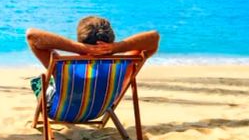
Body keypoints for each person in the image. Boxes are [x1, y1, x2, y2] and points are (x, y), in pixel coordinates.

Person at [27, 16, 158, 101]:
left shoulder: (63, 67)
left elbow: (32, 35)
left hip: (63, 111)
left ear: (80, 41)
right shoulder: (124, 65)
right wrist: (116, 48)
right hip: (101, 109)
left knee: (40, 81)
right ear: (112, 39)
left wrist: (79, 48)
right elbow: (154, 38)